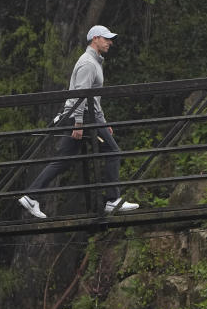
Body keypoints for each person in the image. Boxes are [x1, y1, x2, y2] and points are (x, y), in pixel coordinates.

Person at [18, 25, 139, 218]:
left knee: (64, 161)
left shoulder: (94, 62)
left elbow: (94, 97)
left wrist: (103, 120)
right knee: (113, 152)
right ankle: (112, 200)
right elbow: (80, 95)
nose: (110, 42)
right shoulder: (88, 63)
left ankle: (31, 196)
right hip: (82, 117)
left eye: (110, 39)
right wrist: (79, 123)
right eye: (106, 39)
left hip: (88, 116)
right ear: (95, 39)